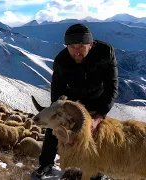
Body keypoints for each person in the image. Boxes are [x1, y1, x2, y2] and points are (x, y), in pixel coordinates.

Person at [32, 23, 118, 179]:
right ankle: (46, 163)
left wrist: (99, 116)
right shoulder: (61, 61)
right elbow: (57, 89)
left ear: (90, 45)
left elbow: (112, 87)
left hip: (97, 98)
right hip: (71, 101)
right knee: (55, 127)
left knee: (99, 133)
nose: (77, 51)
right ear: (66, 46)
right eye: (72, 47)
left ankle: (99, 170)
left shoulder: (106, 53)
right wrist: (56, 112)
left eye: (81, 46)